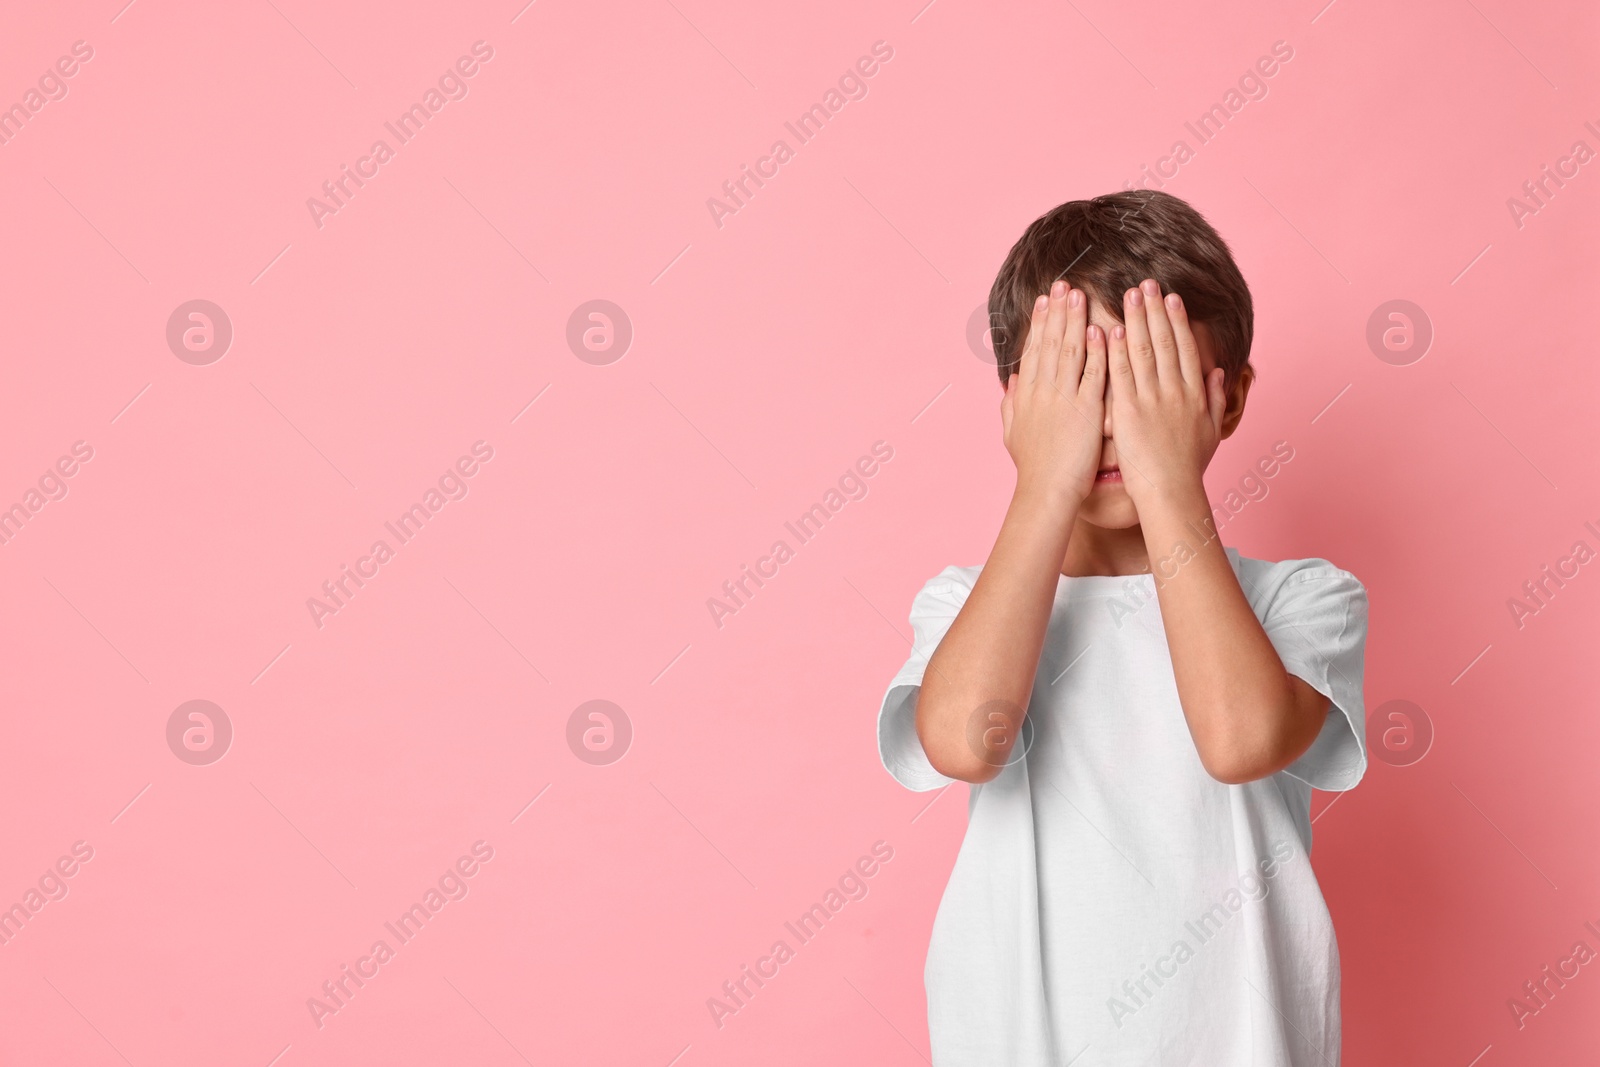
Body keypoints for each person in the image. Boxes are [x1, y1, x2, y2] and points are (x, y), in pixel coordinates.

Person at [875, 189, 1369, 1065]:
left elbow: (1239, 738)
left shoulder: (1301, 598)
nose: (1112, 422)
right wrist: (1042, 485)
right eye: (1080, 385)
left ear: (1228, 400)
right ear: (1016, 405)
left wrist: (1169, 476)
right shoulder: (965, 603)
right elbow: (963, 740)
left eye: (1150, 382)